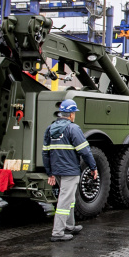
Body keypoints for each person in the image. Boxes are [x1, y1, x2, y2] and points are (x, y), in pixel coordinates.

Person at [43, 99, 97, 242]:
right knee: (64, 201)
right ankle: (58, 232)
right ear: (71, 114)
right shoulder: (73, 129)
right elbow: (85, 151)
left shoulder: (50, 129)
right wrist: (93, 167)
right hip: (70, 171)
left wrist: (50, 172)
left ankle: (69, 225)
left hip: (57, 170)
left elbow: (45, 152)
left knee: (69, 199)